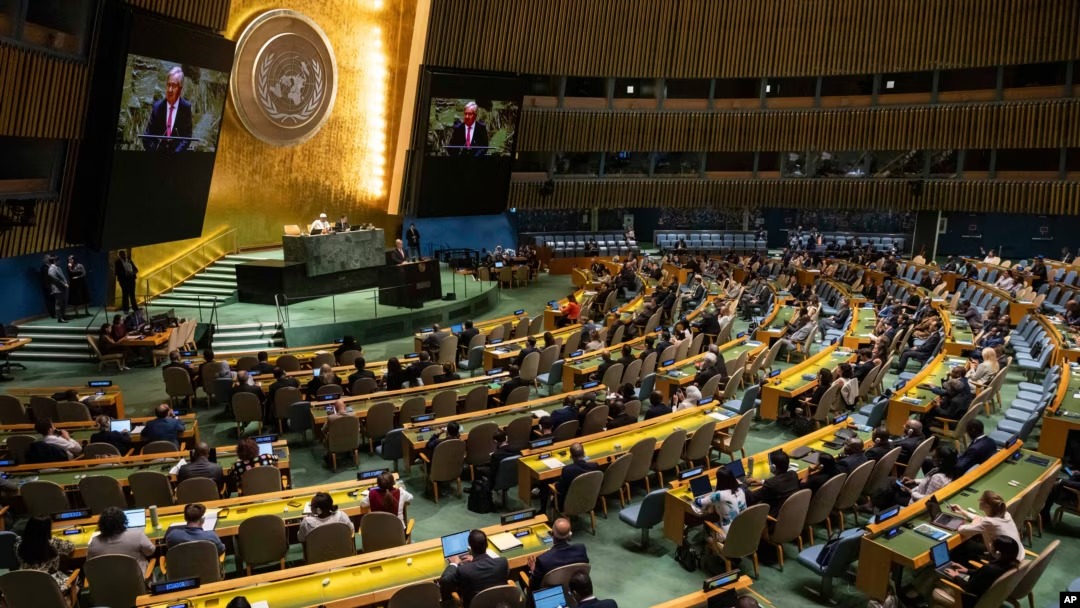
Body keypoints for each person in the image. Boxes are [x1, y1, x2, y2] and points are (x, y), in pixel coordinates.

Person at [933, 535, 1021, 608]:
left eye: (992, 545)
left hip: (970, 601)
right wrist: (966, 570)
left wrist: (956, 576)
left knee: (936, 586)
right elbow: (983, 576)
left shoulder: (990, 569)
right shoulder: (1010, 564)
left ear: (998, 553)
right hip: (987, 597)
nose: (989, 546)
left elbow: (968, 588)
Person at [950, 491, 1023, 560]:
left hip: (1004, 560)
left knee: (960, 549)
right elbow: (982, 519)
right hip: (1016, 553)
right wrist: (963, 512)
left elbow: (962, 530)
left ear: (987, 506)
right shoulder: (1005, 514)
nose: (979, 501)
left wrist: (974, 523)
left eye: (981, 500)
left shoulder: (989, 522)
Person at [14, 516, 76, 596]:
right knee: (77, 579)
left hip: (27, 588)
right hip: (52, 589)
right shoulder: (54, 543)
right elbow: (70, 546)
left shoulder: (18, 545)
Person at [526, 518, 588, 594]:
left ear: (552, 533)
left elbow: (533, 586)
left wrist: (533, 570)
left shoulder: (543, 560)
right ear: (570, 534)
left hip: (552, 594)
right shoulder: (581, 550)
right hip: (573, 591)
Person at [87, 507, 156, 572]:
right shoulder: (137, 535)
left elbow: (90, 565)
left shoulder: (94, 542)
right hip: (137, 582)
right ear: (123, 521)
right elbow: (150, 551)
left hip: (108, 583)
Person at [539, 443, 599, 513]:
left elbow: (559, 489)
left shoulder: (567, 470)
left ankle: (543, 511)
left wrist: (555, 485)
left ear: (571, 456)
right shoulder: (594, 466)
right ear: (584, 453)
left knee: (545, 482)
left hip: (568, 504)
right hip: (588, 501)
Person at [143, 66, 193, 152]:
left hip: (176, 157)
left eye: (174, 86)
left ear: (180, 89)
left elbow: (187, 137)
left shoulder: (186, 108)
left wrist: (177, 153)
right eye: (168, 85)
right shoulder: (157, 107)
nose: (170, 90)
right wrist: (155, 152)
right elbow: (147, 136)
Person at [695, 465, 749, 536]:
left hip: (728, 534)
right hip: (746, 529)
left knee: (705, 520)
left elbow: (699, 503)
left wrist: (706, 496)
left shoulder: (719, 495)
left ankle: (710, 543)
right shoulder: (741, 490)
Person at [746, 451, 800, 515]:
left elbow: (752, 498)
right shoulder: (793, 474)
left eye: (769, 463)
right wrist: (763, 482)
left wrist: (742, 486)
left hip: (775, 517)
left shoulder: (771, 484)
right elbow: (779, 482)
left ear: (773, 467)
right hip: (791, 513)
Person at [113, 250, 139, 314]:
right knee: (125, 294)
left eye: (125, 254)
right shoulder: (117, 262)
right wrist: (125, 273)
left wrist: (132, 273)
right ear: (120, 255)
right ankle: (126, 309)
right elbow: (117, 272)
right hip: (123, 280)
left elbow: (136, 269)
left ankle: (135, 308)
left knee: (132, 294)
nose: (125, 255)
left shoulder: (129, 260)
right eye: (123, 254)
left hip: (131, 279)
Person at [45, 255, 69, 323]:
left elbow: (63, 277)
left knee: (63, 303)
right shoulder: (51, 269)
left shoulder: (58, 268)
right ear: (55, 261)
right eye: (58, 260)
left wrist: (65, 283)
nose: (59, 262)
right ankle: (59, 318)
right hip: (57, 289)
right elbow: (56, 279)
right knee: (58, 304)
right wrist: (64, 284)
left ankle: (63, 316)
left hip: (62, 288)